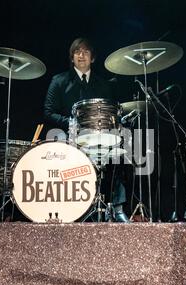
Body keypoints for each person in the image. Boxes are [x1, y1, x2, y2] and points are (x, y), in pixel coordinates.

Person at [44, 37, 129, 222]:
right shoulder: (58, 81)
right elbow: (48, 111)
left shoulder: (104, 84)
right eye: (77, 51)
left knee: (120, 149)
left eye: (85, 51)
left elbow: (110, 112)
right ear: (72, 57)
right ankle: (68, 207)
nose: (81, 55)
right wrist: (70, 122)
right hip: (69, 135)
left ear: (93, 58)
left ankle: (117, 206)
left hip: (98, 136)